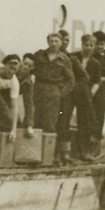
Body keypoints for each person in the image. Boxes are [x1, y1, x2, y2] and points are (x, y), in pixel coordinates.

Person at [34, 32, 75, 162]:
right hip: (38, 89)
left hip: (53, 91)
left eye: (56, 41)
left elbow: (70, 80)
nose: (53, 44)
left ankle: (50, 155)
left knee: (50, 123)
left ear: (61, 43)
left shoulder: (64, 60)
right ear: (47, 41)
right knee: (36, 120)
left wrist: (59, 92)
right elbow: (31, 68)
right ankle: (33, 154)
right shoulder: (39, 55)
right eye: (51, 41)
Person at [65, 33, 98, 159]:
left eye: (91, 45)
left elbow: (96, 81)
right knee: (65, 118)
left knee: (84, 122)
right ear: (82, 45)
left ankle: (83, 151)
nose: (89, 47)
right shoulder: (74, 58)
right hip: (71, 91)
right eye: (86, 45)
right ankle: (65, 151)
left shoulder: (95, 63)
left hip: (85, 94)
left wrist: (91, 94)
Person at [0, 54, 22, 138]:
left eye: (15, 69)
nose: (11, 71)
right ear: (4, 65)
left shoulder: (14, 82)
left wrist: (13, 130)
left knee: (11, 119)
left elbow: (14, 106)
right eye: (10, 67)